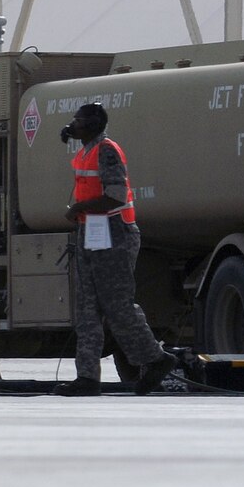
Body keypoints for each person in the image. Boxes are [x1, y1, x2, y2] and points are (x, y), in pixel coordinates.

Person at [55, 102, 180, 396]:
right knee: (87, 307)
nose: (73, 125)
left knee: (117, 305)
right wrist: (83, 214)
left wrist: (79, 208)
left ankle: (156, 359)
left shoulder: (107, 151)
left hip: (114, 232)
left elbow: (115, 195)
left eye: (78, 121)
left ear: (92, 125)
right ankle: (87, 377)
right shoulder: (85, 151)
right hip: (92, 231)